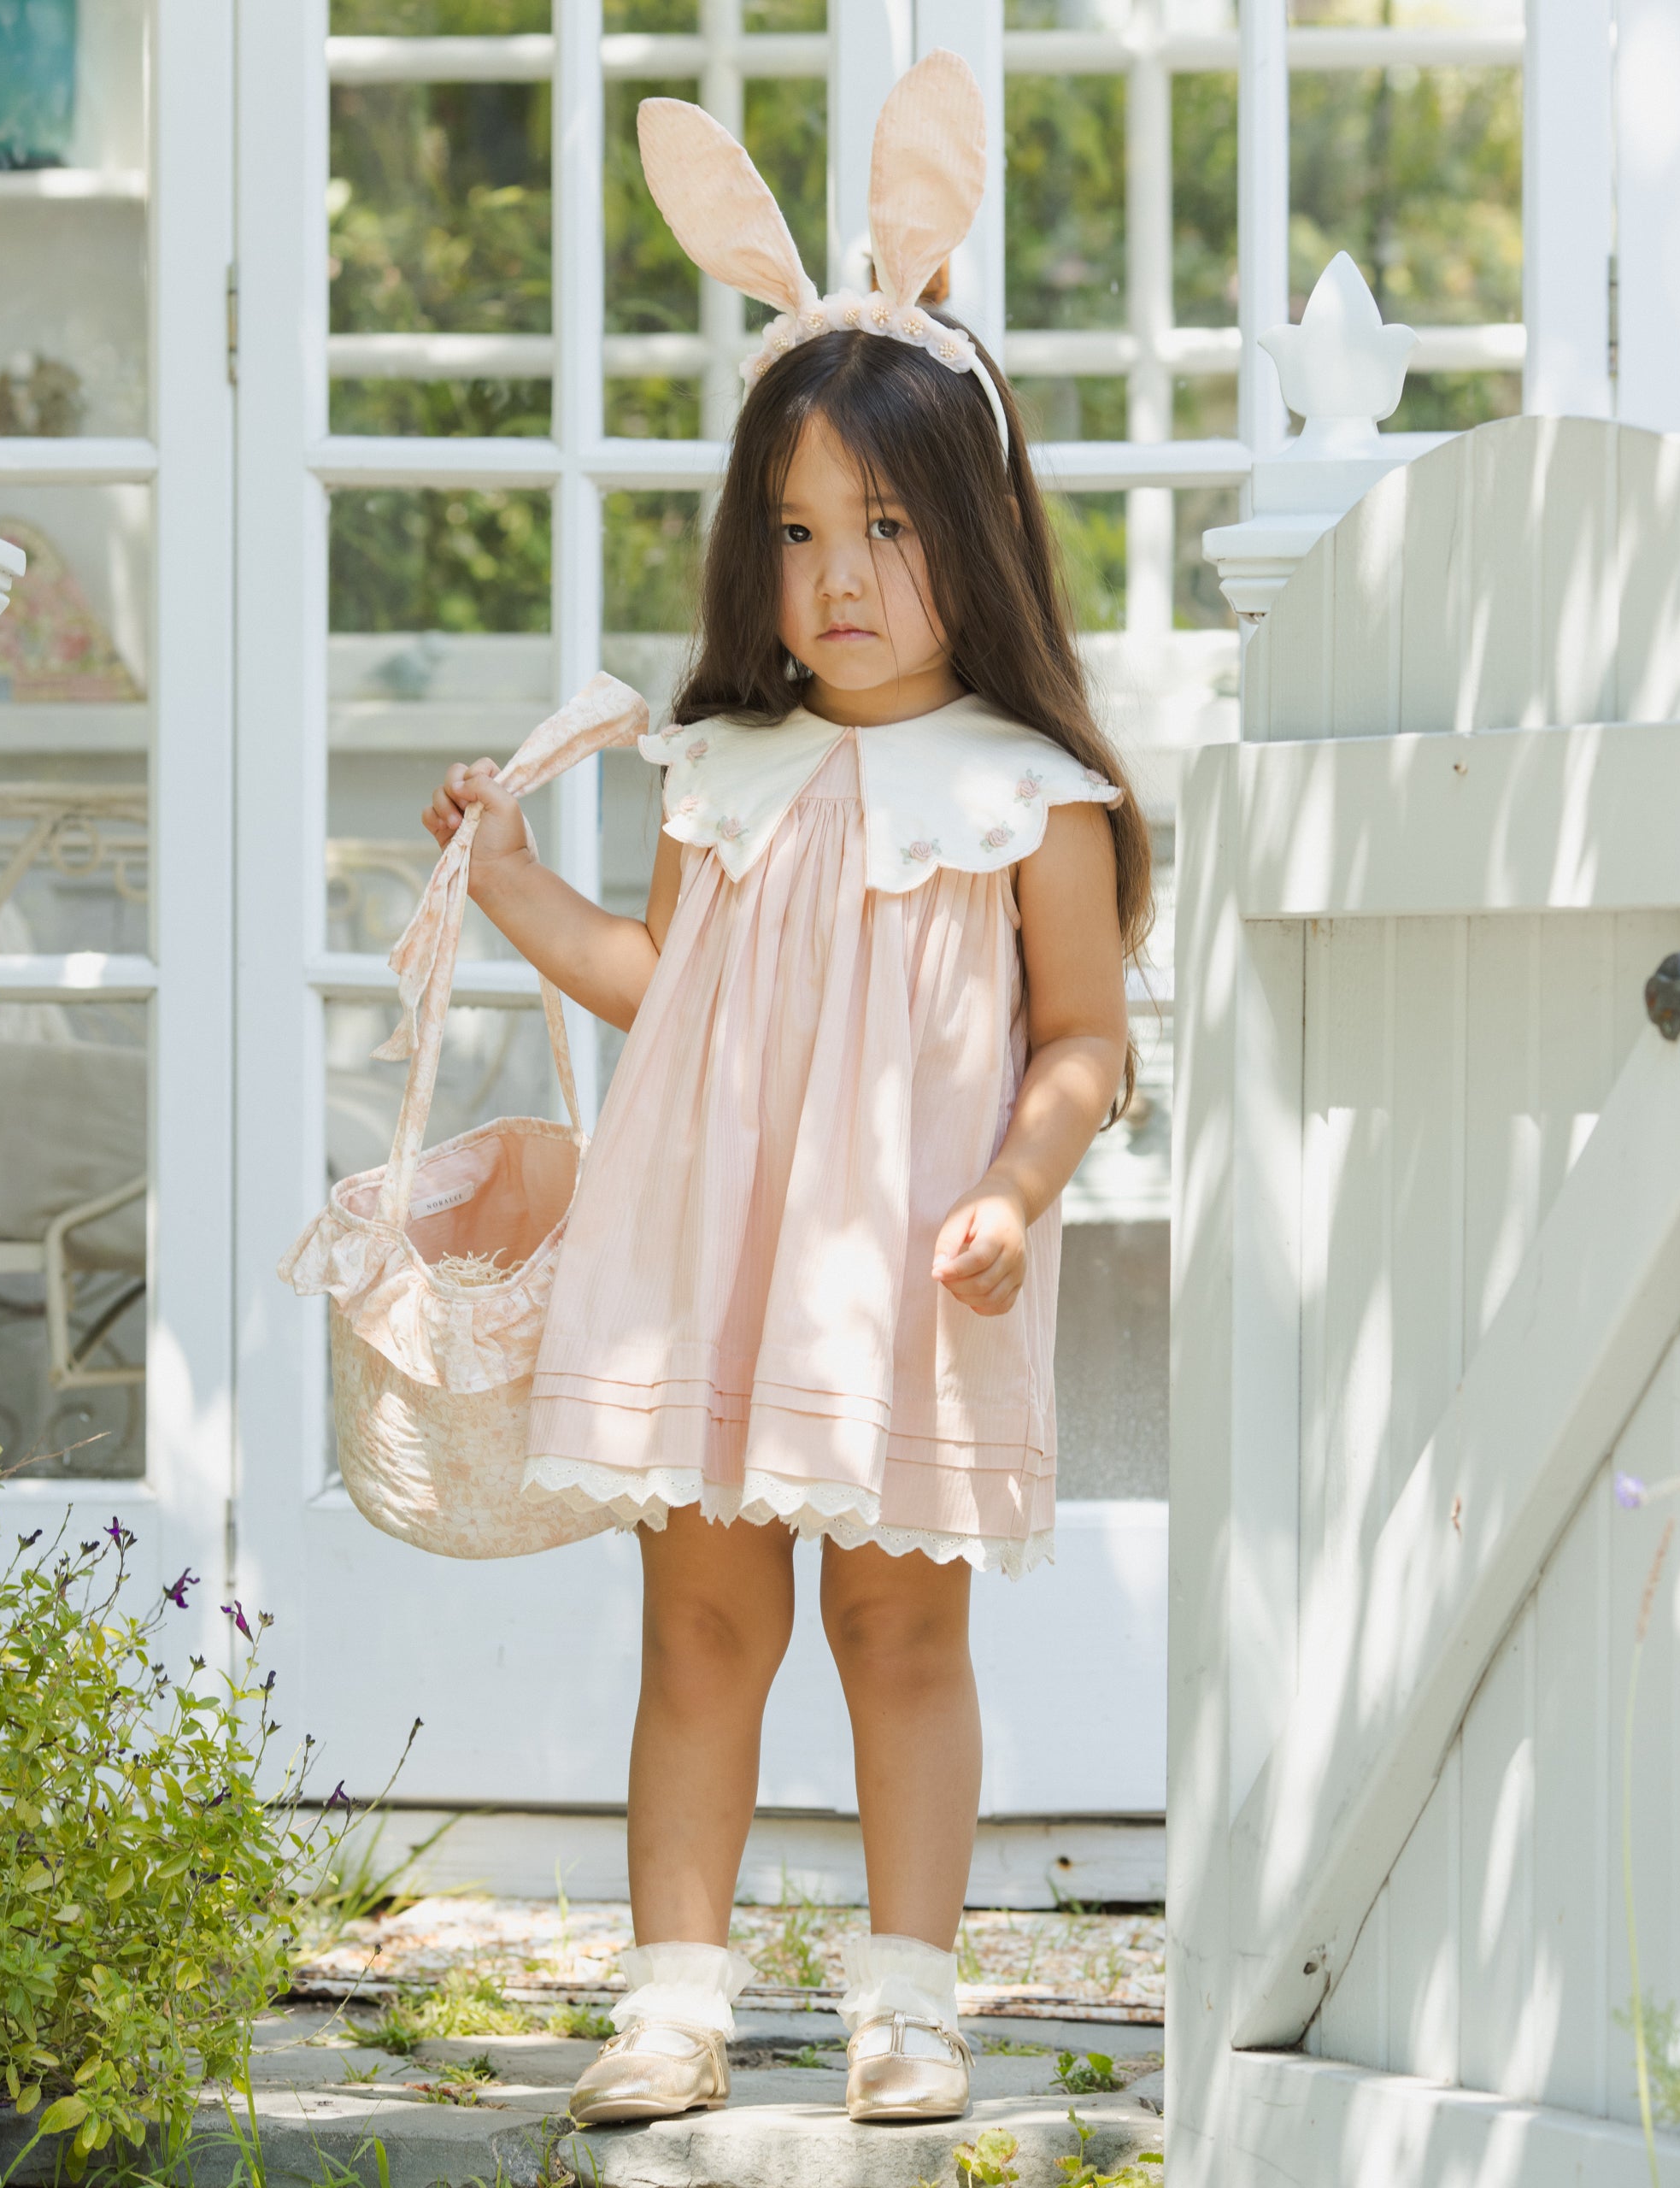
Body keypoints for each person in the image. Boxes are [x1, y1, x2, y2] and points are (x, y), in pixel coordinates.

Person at [420, 52, 1152, 2132]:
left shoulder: (1032, 793)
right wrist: (515, 884)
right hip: (706, 1267)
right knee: (701, 1627)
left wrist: (1016, 1185)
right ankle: (672, 1994)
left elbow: (1084, 1038)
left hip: (904, 1280)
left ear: (978, 534)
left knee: (901, 1633)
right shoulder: (714, 762)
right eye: (801, 528)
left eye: (891, 526)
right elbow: (666, 985)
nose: (839, 574)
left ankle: (909, 1996)